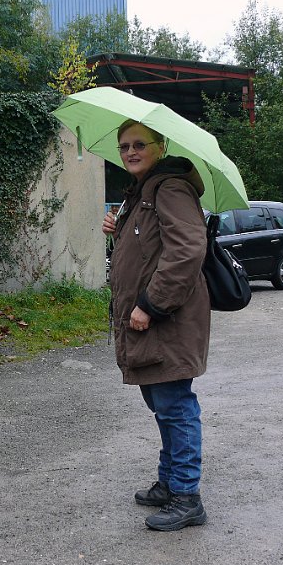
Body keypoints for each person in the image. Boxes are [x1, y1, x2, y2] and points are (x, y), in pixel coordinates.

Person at [101, 120, 210, 531]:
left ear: (160, 146)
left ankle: (187, 496)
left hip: (168, 319)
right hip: (150, 320)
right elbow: (148, 249)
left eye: (139, 144)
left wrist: (151, 304)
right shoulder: (143, 191)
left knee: (175, 405)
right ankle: (169, 483)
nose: (130, 151)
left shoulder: (169, 188)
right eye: (124, 145)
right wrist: (119, 229)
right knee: (161, 404)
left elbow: (187, 248)